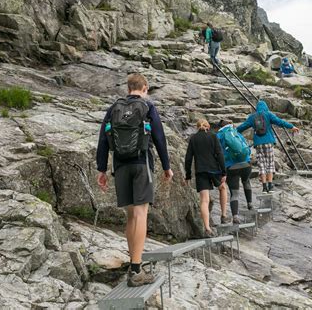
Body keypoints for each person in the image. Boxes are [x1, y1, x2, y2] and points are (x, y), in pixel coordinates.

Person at [96, 73, 173, 287]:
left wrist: (101, 169)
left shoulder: (114, 108)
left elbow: (103, 139)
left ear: (128, 88)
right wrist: (167, 167)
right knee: (141, 214)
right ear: (145, 88)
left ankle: (133, 262)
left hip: (120, 166)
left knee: (130, 216)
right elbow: (159, 137)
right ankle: (137, 270)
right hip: (141, 164)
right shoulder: (148, 107)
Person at [237, 100, 299, 194]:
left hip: (258, 144)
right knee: (270, 163)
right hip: (268, 142)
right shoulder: (268, 114)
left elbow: (242, 127)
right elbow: (280, 122)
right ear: (266, 107)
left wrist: (232, 131)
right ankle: (270, 185)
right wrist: (291, 126)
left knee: (261, 164)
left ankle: (264, 187)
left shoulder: (252, 117)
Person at [184, 119, 229, 237]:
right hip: (214, 169)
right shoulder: (213, 136)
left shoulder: (193, 139)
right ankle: (224, 216)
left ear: (197, 127)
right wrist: (224, 172)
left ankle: (207, 228)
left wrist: (188, 175)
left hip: (200, 171)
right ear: (208, 126)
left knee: (204, 200)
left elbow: (188, 158)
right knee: (223, 188)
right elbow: (220, 154)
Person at [216, 120, 253, 224]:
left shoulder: (218, 136)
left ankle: (235, 216)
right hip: (246, 163)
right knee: (246, 181)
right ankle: (250, 203)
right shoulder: (235, 133)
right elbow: (246, 147)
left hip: (231, 166)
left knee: (234, 193)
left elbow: (217, 153)